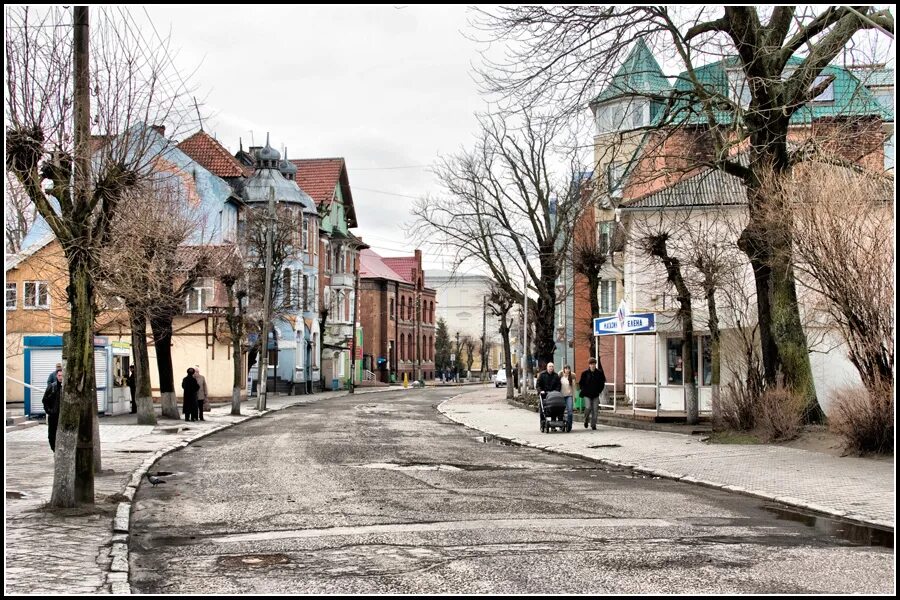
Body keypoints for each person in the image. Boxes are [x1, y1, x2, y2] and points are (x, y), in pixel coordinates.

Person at [578, 357, 607, 430]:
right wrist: (583, 389)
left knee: (595, 410)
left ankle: (593, 424)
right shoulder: (584, 373)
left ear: (595, 364)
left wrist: (599, 391)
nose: (593, 365)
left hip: (595, 394)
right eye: (591, 364)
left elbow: (602, 383)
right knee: (588, 407)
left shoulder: (599, 373)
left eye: (594, 364)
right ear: (589, 365)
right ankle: (586, 419)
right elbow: (581, 383)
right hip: (587, 394)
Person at [42, 369, 63, 452]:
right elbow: (45, 400)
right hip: (54, 415)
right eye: (59, 375)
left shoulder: (68, 387)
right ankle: (54, 450)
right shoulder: (52, 386)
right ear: (56, 376)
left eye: (62, 375)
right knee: (52, 435)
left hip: (64, 415)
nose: (61, 377)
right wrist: (49, 411)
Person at [559, 365, 575, 431]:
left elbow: (574, 389)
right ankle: (560, 424)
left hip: (569, 396)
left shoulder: (571, 378)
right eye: (566, 369)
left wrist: (574, 397)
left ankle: (569, 425)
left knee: (570, 411)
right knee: (560, 411)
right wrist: (562, 372)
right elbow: (558, 373)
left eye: (569, 369)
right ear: (564, 370)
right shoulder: (561, 377)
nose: (567, 370)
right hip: (561, 396)